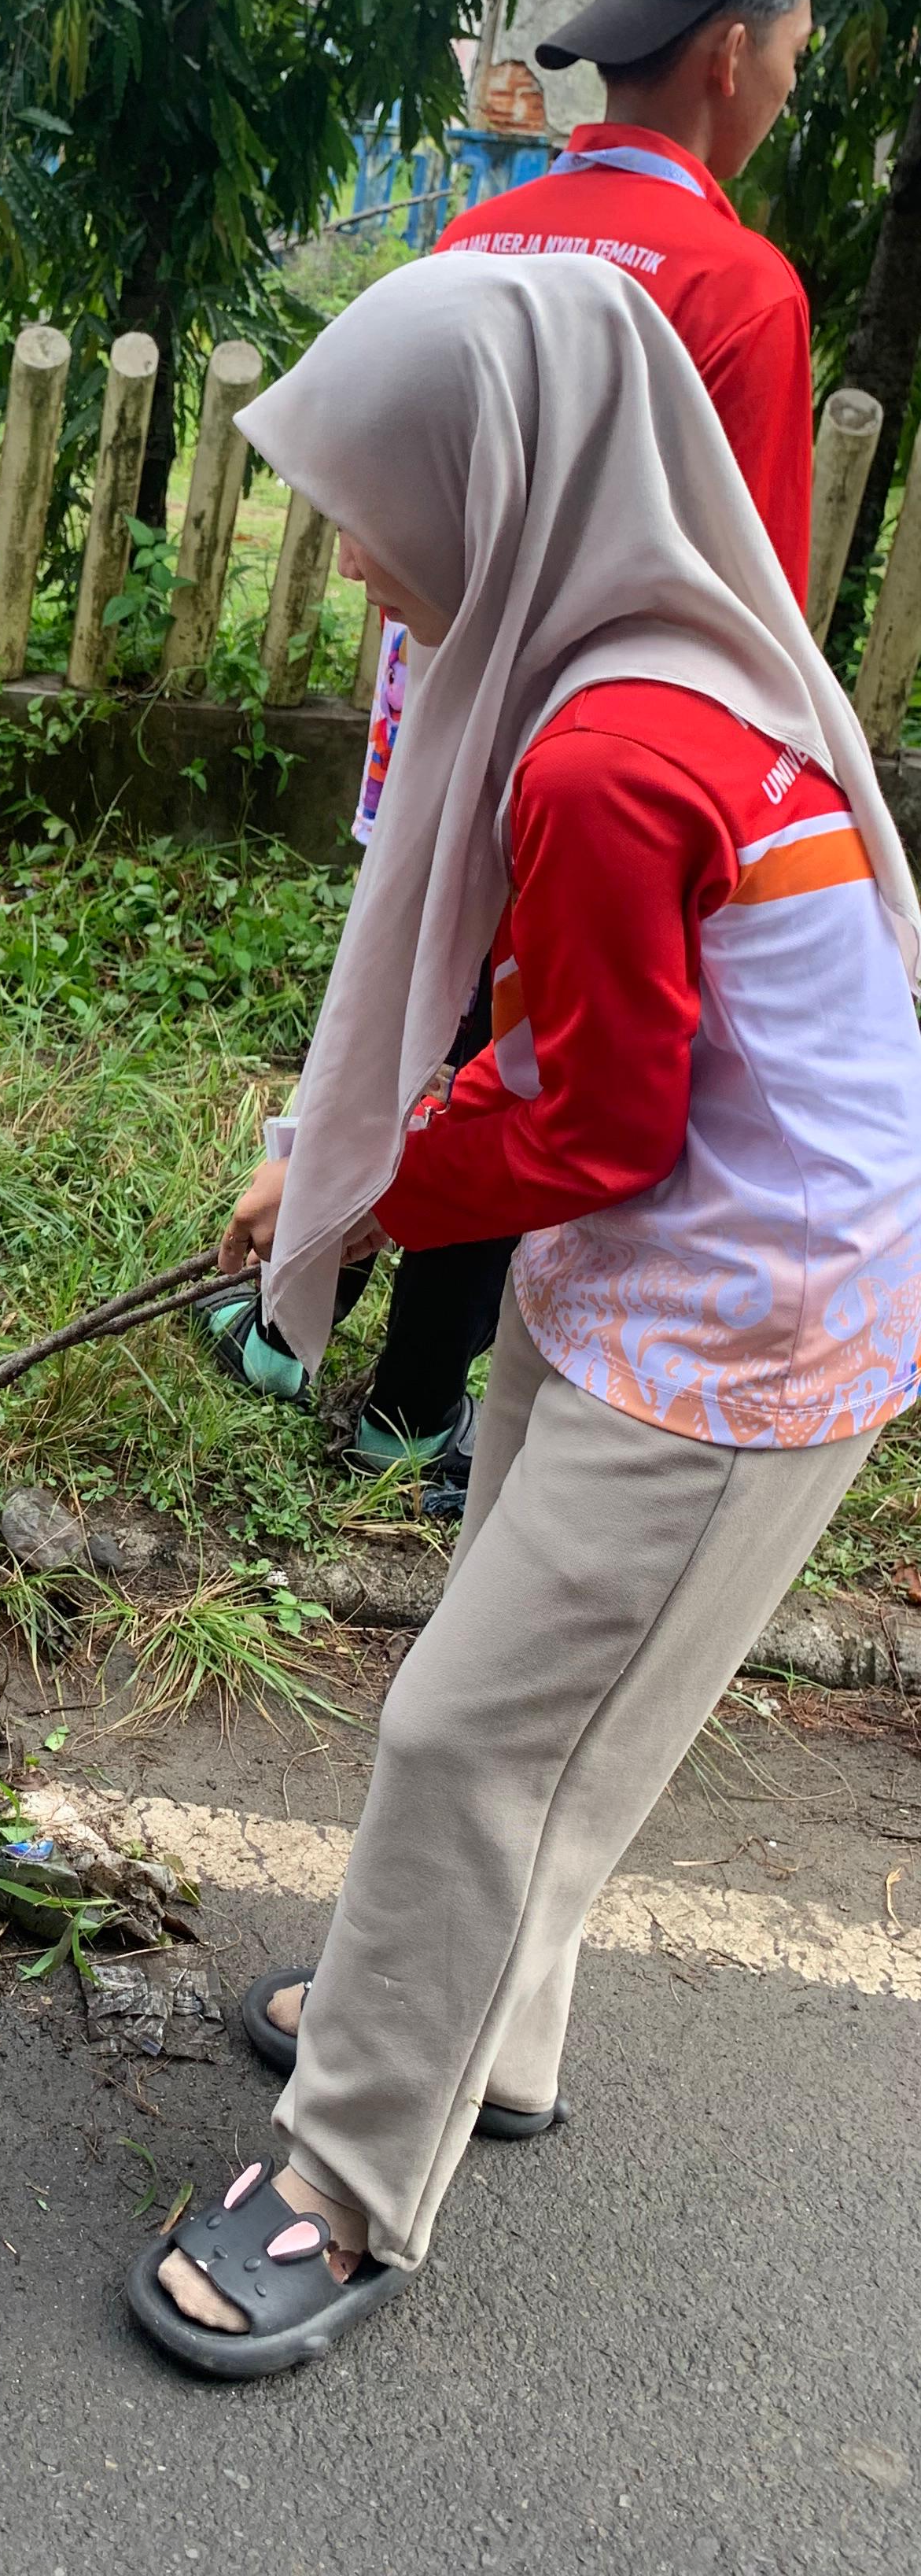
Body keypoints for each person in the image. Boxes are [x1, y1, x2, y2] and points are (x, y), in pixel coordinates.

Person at [128, 250, 921, 2380]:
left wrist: (359, 1187)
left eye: (370, 506)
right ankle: (487, 2027)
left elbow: (592, 1111)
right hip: (658, 1254)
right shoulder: (658, 655)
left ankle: (347, 2180)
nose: (351, 560)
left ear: (498, 489)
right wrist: (343, 1159)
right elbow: (582, 1066)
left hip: (747, 1328)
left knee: (471, 1734)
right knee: (524, 1672)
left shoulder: (608, 755)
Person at [204, 0, 822, 1508]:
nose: (784, 81)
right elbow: (745, 604)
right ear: (733, 55)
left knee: (418, 988)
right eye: (791, 53)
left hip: (441, 709)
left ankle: (288, 1317)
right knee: (528, 1045)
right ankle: (412, 1404)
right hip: (598, 749)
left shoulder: (480, 234)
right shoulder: (737, 289)